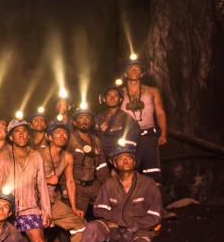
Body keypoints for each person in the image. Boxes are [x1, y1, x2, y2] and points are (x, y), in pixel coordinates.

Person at [68, 143, 162, 242]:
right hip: (113, 227)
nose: (125, 161)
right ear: (115, 163)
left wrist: (133, 226)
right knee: (92, 227)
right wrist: (112, 224)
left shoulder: (148, 184)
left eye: (129, 158)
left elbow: (155, 215)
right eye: (121, 158)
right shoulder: (109, 184)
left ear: (134, 162)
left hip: (139, 230)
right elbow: (99, 208)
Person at [39, 121, 87, 242]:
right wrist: (46, 180)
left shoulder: (67, 157)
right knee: (35, 239)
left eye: (65, 133)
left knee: (79, 223)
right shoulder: (37, 154)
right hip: (33, 202)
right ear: (49, 137)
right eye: (58, 132)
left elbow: (70, 181)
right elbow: (24, 179)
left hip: (51, 202)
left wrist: (73, 207)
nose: (62, 135)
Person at [120, 55, 168, 183]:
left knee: (152, 174)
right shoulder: (118, 93)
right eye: (131, 68)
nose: (134, 70)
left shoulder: (152, 91)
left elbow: (160, 112)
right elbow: (113, 115)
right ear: (126, 73)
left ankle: (154, 202)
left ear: (142, 72)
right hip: (127, 138)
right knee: (127, 173)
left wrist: (163, 133)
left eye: (137, 68)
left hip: (148, 136)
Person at [69, 107, 109, 213]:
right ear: (74, 122)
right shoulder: (69, 139)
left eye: (87, 118)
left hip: (93, 184)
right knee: (77, 220)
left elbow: (102, 166)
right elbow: (63, 165)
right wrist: (64, 188)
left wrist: (108, 185)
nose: (84, 120)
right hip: (76, 188)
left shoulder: (96, 141)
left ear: (91, 122)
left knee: (108, 209)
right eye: (81, 118)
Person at [95, 86, 140, 163]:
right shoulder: (98, 118)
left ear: (120, 99)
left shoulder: (127, 118)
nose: (112, 98)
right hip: (101, 159)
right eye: (109, 95)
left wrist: (117, 159)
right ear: (104, 99)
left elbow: (131, 142)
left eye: (115, 95)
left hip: (119, 159)